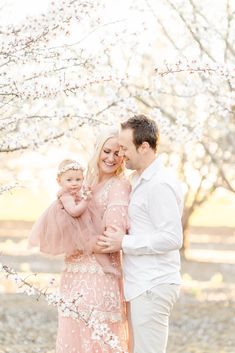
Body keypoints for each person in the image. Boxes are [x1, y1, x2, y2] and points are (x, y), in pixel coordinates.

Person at [30, 129, 131, 353]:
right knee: (72, 333)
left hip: (99, 276)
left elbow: (113, 237)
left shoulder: (119, 186)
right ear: (97, 151)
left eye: (118, 153)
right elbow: (65, 222)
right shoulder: (84, 184)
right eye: (106, 151)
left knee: (96, 336)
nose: (111, 158)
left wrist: (78, 239)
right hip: (73, 272)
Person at [98, 114, 183, 353]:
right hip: (140, 285)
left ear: (144, 146)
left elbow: (173, 238)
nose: (121, 154)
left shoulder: (159, 185)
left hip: (153, 284)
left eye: (124, 148)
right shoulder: (138, 180)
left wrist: (123, 242)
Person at [29, 158, 119, 275]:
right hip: (72, 226)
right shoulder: (65, 196)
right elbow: (74, 211)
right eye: (69, 180)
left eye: (78, 179)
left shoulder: (75, 193)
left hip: (78, 223)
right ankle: (106, 266)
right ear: (59, 181)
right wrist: (86, 200)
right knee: (93, 241)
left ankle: (106, 265)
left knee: (95, 239)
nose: (74, 183)